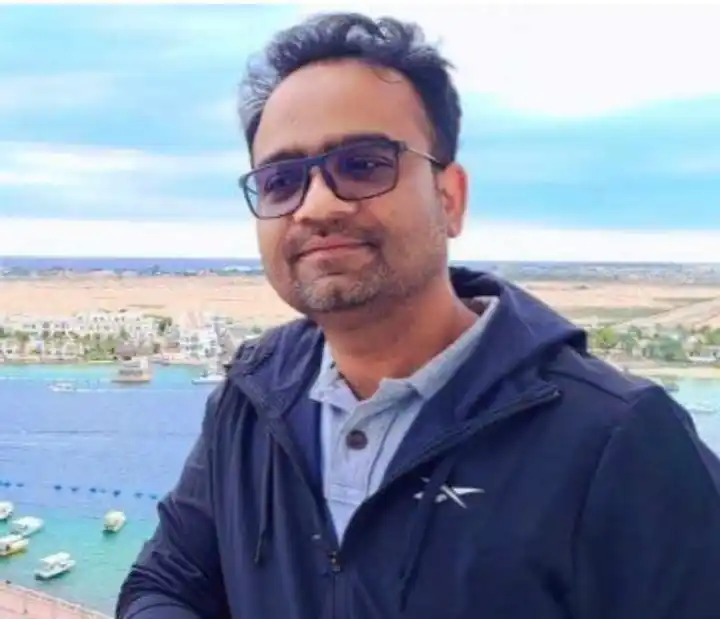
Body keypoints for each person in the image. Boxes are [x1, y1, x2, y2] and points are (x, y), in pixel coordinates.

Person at [116, 12, 720, 619]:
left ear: (450, 198)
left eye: (363, 164)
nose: (316, 206)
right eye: (281, 181)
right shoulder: (252, 397)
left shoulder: (617, 439)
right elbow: (166, 583)